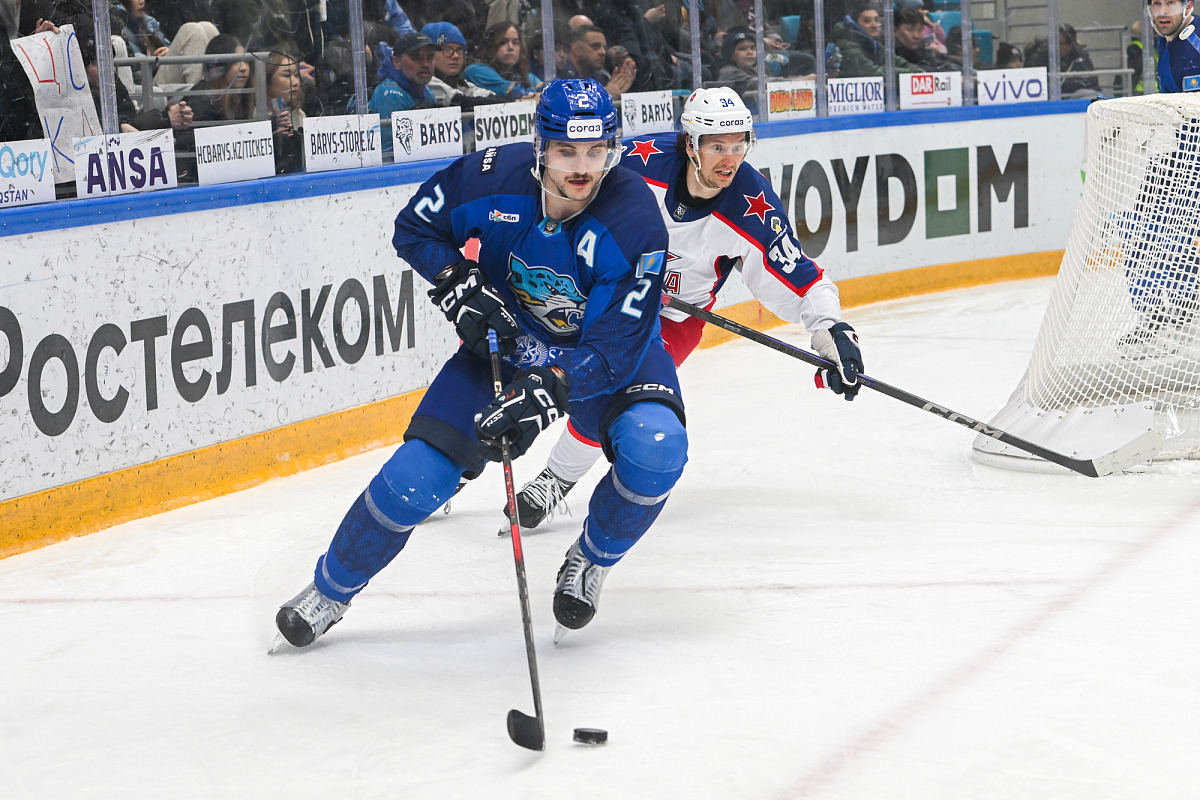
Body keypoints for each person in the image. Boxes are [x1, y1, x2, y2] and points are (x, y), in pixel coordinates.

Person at [273, 78, 685, 647]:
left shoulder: (635, 217)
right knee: (414, 478)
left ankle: (591, 559)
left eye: (596, 152)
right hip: (505, 345)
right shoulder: (490, 175)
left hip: (603, 356)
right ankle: (330, 591)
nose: (582, 169)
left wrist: (551, 386)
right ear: (540, 146)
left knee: (656, 447)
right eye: (567, 151)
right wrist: (454, 280)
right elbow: (414, 228)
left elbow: (616, 345)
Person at [506, 86, 863, 533]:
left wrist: (832, 331)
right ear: (690, 144)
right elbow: (564, 194)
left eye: (738, 146)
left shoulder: (751, 203)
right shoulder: (636, 164)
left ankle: (555, 479)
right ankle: (457, 455)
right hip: (599, 292)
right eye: (717, 147)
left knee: (612, 385)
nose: (729, 159)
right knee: (518, 352)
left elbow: (797, 274)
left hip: (675, 318)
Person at [832, 0, 920, 78]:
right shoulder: (846, 44)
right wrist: (909, 73)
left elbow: (895, 60)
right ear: (856, 24)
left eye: (876, 20)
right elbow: (870, 71)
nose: (874, 25)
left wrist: (919, 72)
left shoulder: (874, 43)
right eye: (867, 21)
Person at [422, 21, 499, 108]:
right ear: (429, 54)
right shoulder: (425, 82)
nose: (456, 56)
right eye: (447, 50)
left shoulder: (460, 84)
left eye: (459, 50)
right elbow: (458, 101)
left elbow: (483, 95)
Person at [462, 21, 542, 98]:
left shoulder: (522, 74)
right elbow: (514, 93)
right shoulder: (476, 70)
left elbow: (545, 91)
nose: (510, 47)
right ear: (490, 46)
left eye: (515, 43)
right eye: (503, 42)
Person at [367, 30, 437, 115]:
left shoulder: (427, 92)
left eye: (430, 58)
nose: (425, 64)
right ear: (397, 62)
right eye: (416, 57)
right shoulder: (389, 94)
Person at [563, 24, 636, 100]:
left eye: (604, 47)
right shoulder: (561, 76)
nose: (603, 52)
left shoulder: (599, 78)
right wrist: (604, 95)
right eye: (595, 46)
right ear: (575, 49)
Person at [1148, 0, 1200, 93]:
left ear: (1188, 6)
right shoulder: (1164, 39)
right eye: (1157, 3)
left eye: (1171, 3)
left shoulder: (1195, 42)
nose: (1162, 12)